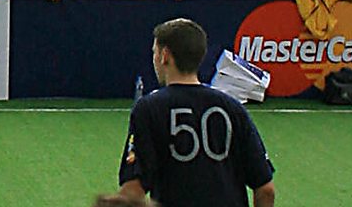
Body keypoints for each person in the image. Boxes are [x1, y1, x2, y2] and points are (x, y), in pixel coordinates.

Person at [118, 18, 277, 207]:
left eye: (155, 52)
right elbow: (265, 189)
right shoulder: (232, 107)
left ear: (165, 55)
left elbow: (134, 189)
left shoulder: (149, 108)